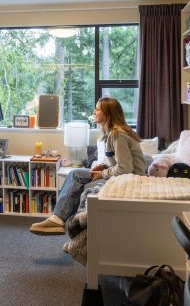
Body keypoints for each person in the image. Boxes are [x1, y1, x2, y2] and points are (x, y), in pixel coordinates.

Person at [30, 97, 146, 235]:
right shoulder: (111, 133)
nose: (94, 112)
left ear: (108, 113)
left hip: (131, 178)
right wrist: (103, 167)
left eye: (98, 109)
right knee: (75, 173)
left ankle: (59, 220)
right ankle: (58, 219)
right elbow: (119, 162)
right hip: (124, 174)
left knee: (78, 177)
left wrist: (102, 174)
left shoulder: (117, 134)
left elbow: (125, 168)